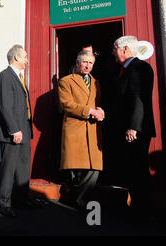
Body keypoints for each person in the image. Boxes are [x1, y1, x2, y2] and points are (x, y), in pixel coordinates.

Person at [109, 35, 156, 216]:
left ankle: (142, 211)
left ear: (125, 49)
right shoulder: (124, 69)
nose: (113, 52)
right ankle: (138, 208)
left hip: (137, 130)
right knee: (133, 169)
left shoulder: (139, 68)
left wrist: (133, 127)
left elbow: (138, 99)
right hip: (130, 128)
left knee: (139, 171)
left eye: (115, 48)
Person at [58, 50, 104, 209]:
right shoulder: (66, 81)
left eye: (91, 63)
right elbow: (66, 105)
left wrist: (101, 111)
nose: (88, 65)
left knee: (94, 168)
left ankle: (79, 200)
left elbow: (98, 103)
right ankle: (75, 197)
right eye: (85, 62)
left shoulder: (96, 83)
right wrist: (90, 111)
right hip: (75, 130)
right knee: (75, 170)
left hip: (92, 131)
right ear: (77, 63)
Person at [0, 44, 34, 217]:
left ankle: (22, 199)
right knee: (9, 168)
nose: (26, 59)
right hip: (13, 132)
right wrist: (14, 130)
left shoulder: (19, 77)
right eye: (24, 56)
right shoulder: (5, 75)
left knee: (23, 168)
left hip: (24, 130)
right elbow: (5, 106)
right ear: (16, 57)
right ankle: (3, 202)